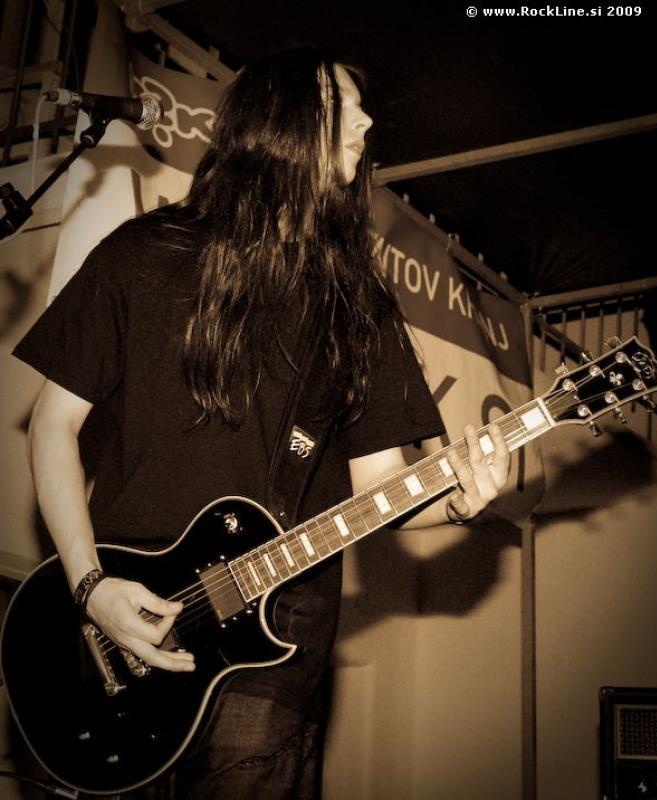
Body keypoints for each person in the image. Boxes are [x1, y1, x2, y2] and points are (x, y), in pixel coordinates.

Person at [13, 48, 510, 799]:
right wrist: (89, 585)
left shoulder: (356, 303)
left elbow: (379, 487)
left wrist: (461, 498)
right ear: (282, 118)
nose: (368, 125)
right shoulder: (141, 255)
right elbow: (51, 425)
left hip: (272, 650)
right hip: (117, 619)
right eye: (345, 108)